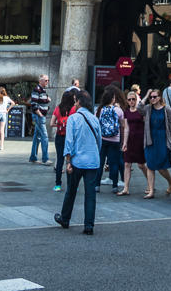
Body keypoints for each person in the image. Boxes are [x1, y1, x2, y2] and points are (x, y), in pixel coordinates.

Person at [54, 89, 102, 235]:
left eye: (75, 101)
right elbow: (99, 141)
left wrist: (68, 161)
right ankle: (89, 225)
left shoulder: (73, 119)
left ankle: (65, 218)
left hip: (77, 161)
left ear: (79, 102)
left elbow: (69, 142)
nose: (74, 104)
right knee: (90, 194)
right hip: (93, 161)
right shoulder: (94, 118)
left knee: (71, 190)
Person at [142, 87, 171, 198]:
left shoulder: (166, 109)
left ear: (159, 97)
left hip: (162, 139)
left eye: (154, 97)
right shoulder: (148, 108)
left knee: (161, 167)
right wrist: (146, 95)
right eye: (151, 97)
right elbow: (139, 107)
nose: (152, 99)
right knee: (150, 166)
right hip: (150, 139)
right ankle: (151, 191)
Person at [96, 85, 126, 193]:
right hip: (115, 140)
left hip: (103, 139)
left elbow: (97, 125)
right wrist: (122, 140)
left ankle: (96, 185)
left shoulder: (100, 109)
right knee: (114, 163)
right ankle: (114, 185)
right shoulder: (118, 110)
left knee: (100, 162)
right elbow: (122, 126)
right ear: (113, 99)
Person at [119, 89, 147, 195]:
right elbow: (126, 128)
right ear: (127, 101)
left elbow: (146, 125)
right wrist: (124, 142)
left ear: (136, 100)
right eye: (129, 99)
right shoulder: (126, 112)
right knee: (127, 164)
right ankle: (126, 188)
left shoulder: (141, 111)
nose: (131, 101)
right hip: (130, 140)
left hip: (140, 139)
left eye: (133, 99)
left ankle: (150, 184)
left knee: (141, 165)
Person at [51, 90, 76, 192]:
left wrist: (60, 125)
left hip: (59, 137)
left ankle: (58, 184)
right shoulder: (74, 109)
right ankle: (71, 184)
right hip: (70, 138)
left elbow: (51, 123)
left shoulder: (58, 108)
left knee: (60, 160)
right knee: (70, 160)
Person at [29, 73, 50, 164]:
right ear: (40, 81)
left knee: (37, 137)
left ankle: (33, 157)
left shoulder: (42, 90)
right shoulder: (37, 89)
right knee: (44, 137)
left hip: (40, 116)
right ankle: (45, 159)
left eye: (48, 80)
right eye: (46, 80)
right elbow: (34, 104)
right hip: (39, 116)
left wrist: (47, 100)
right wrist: (39, 114)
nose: (47, 82)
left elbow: (42, 101)